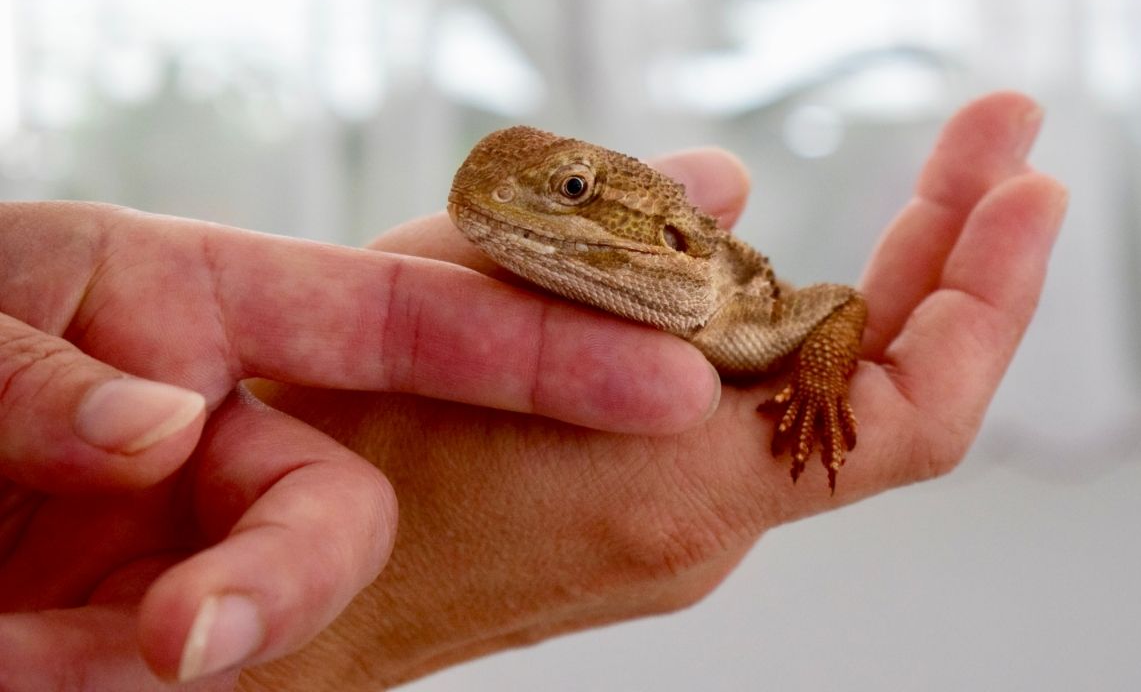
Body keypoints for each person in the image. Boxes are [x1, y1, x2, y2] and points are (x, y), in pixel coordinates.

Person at [0, 92, 1065, 691]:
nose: (490, 204)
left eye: (567, 195)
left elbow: (837, 305)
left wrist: (824, 382)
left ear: (673, 239)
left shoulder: (738, 305)